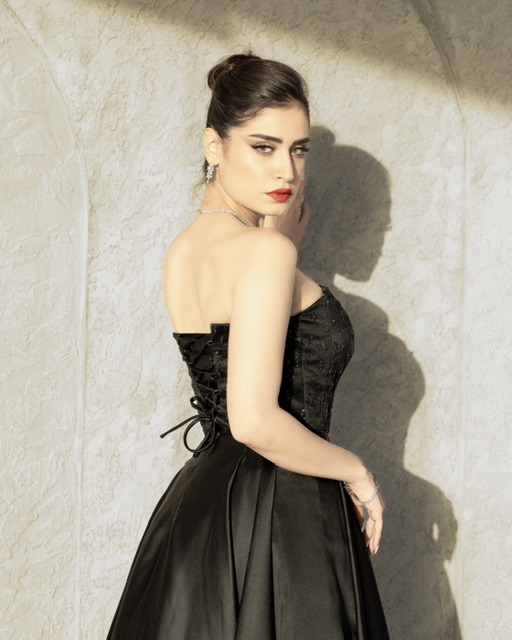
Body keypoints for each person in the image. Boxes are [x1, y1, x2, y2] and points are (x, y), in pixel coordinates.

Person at [107, 53, 389, 639]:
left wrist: (275, 239)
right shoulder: (265, 254)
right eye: (264, 147)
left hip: (204, 510)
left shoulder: (185, 249)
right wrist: (356, 472)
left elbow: (236, 350)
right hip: (283, 508)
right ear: (214, 145)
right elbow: (255, 421)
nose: (286, 168)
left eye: (298, 149)